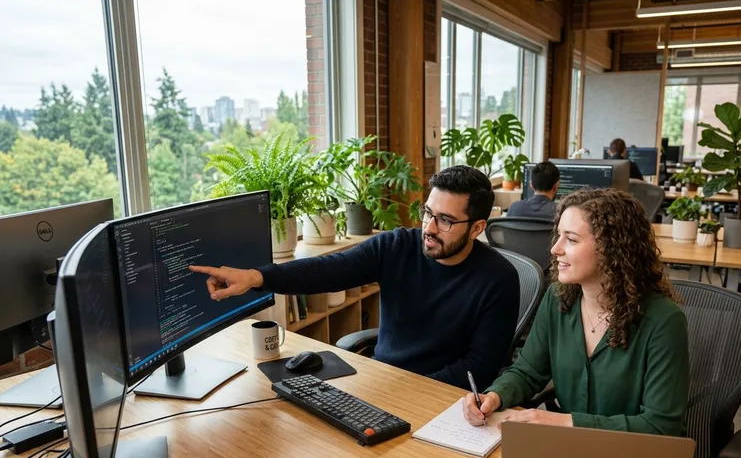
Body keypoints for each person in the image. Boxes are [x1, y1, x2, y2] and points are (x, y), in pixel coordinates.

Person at [189, 165, 520, 390]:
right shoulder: (396, 246)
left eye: (445, 220)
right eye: (428, 213)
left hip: (439, 397)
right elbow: (328, 270)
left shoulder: (498, 278)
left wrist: (405, 390)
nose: (429, 228)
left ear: (476, 228)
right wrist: (255, 277)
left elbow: (478, 368)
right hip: (382, 379)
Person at [462, 188, 690, 436]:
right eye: (559, 236)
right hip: (566, 448)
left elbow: (661, 426)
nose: (555, 249)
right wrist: (495, 396)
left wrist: (565, 422)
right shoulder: (558, 298)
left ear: (611, 248)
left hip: (629, 453)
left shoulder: (663, 321)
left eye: (571, 239)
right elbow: (528, 371)